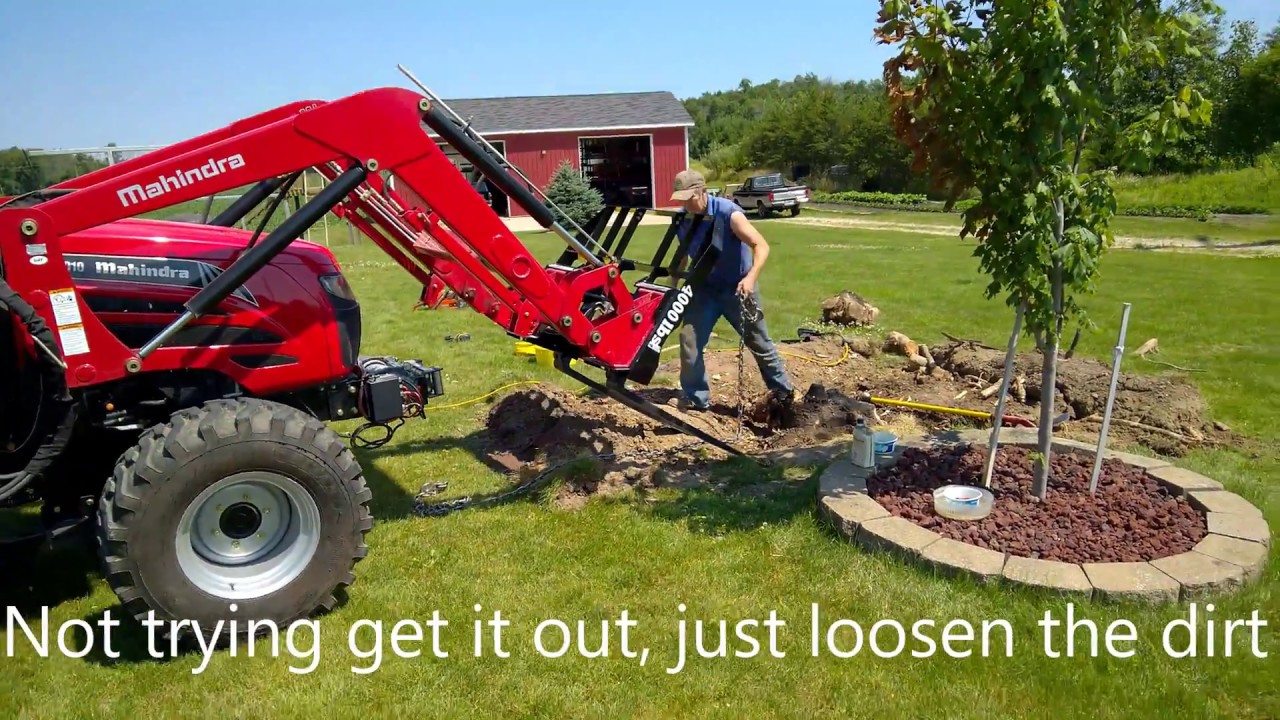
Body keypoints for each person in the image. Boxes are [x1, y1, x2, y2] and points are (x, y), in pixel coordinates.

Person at [667, 169, 795, 412]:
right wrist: (672, 289)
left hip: (738, 288)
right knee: (689, 340)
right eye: (681, 200)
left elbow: (761, 245)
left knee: (759, 343)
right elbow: (681, 258)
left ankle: (784, 396)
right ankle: (696, 398)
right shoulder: (683, 219)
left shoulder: (729, 213)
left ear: (703, 192)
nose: (686, 205)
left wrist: (750, 278)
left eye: (689, 199)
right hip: (704, 288)